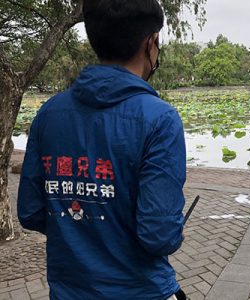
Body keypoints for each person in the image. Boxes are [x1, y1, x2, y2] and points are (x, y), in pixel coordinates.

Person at [17, 0, 187, 299]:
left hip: (68, 291)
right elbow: (158, 237)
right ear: (152, 42)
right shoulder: (159, 119)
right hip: (140, 290)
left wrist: (79, 231)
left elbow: (31, 213)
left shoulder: (49, 113)